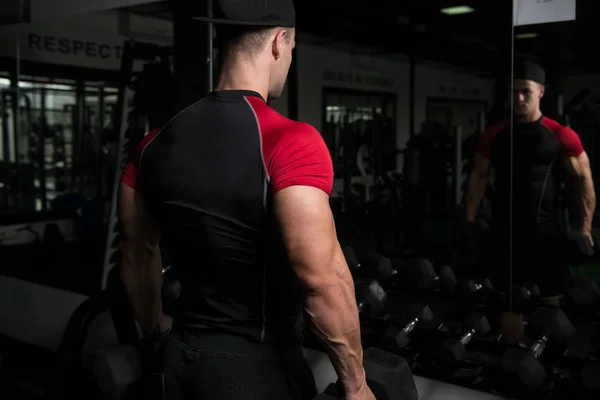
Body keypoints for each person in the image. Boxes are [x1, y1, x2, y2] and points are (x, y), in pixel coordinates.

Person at [117, 0, 375, 399]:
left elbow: (136, 254)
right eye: (291, 48)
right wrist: (356, 385)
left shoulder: (153, 144)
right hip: (257, 371)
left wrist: (154, 337)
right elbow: (321, 280)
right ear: (278, 42)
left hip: (179, 360)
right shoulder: (290, 142)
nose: (289, 58)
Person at [465, 60, 596, 343]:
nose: (518, 98)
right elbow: (479, 176)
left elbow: (584, 181)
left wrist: (585, 227)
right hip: (505, 234)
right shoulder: (495, 134)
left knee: (552, 305)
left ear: (541, 92)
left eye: (525, 91)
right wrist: (470, 219)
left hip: (546, 235)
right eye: (513, 92)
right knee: (505, 305)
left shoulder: (560, 134)